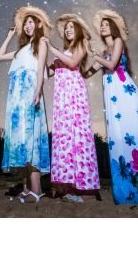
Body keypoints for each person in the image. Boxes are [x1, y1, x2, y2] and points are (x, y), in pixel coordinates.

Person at [90, 9, 138, 204]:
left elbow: (112, 65)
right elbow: (88, 71)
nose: (104, 27)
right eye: (102, 25)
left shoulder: (118, 43)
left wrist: (96, 57)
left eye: (107, 24)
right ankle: (127, 191)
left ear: (113, 28)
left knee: (132, 133)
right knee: (118, 136)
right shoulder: (104, 53)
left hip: (124, 93)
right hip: (112, 96)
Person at [0, 5, 52, 203]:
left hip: (30, 91)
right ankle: (27, 188)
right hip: (16, 97)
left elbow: (39, 71)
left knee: (31, 138)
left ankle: (37, 189)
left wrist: (37, 91)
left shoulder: (41, 43)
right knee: (21, 140)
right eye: (25, 24)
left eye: (30, 22)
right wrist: (10, 35)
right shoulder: (21, 50)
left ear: (37, 25)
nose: (27, 26)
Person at [45, 13, 101, 203]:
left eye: (71, 27)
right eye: (66, 28)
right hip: (61, 98)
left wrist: (51, 48)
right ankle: (66, 185)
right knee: (64, 136)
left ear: (77, 29)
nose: (68, 30)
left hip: (74, 95)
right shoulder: (63, 50)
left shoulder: (82, 43)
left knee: (76, 136)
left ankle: (82, 187)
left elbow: (72, 63)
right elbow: (49, 72)